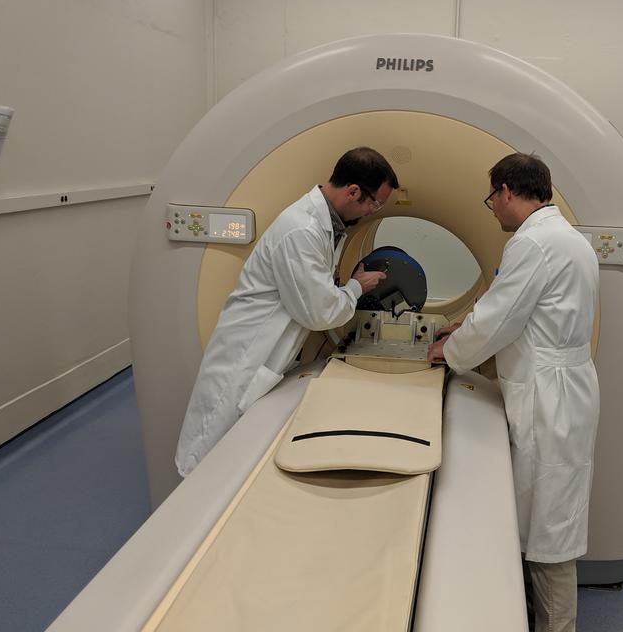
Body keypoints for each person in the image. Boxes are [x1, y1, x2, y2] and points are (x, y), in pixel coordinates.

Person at [428, 153, 599, 632]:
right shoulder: (566, 238)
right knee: (545, 521)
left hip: (551, 399)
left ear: (506, 191)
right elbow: (518, 311)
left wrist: (448, 351)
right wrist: (467, 326)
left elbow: (502, 320)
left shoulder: (534, 244)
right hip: (559, 389)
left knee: (551, 534)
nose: (494, 211)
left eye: (491, 201)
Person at [175, 147, 398, 476]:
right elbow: (319, 313)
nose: (372, 211)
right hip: (246, 356)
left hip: (266, 353)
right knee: (207, 453)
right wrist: (356, 287)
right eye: (373, 203)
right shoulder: (302, 230)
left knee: (232, 455)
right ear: (353, 191)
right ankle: (186, 520)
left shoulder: (327, 226)